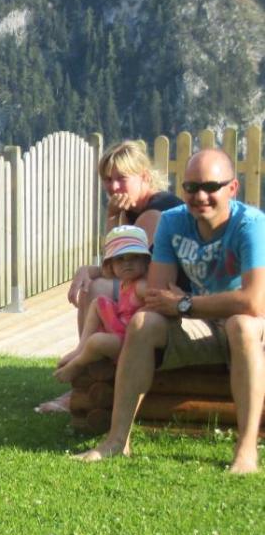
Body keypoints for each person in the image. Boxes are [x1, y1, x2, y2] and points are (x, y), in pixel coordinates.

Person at [75, 148, 264, 474]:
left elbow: (253, 302)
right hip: (196, 322)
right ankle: (117, 440)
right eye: (191, 187)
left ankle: (246, 451)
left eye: (211, 187)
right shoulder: (173, 221)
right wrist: (186, 304)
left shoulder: (251, 225)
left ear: (232, 188)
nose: (200, 196)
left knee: (242, 325)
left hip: (242, 326)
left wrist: (186, 303)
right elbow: (157, 295)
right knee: (142, 322)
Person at [38, 140, 180, 413]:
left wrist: (90, 268)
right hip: (148, 295)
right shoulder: (132, 209)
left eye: (121, 178)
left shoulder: (154, 211)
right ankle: (87, 373)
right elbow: (117, 262)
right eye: (107, 179)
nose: (113, 187)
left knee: (98, 288)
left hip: (168, 302)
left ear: (144, 177)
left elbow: (120, 267)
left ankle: (84, 377)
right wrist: (112, 218)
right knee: (97, 285)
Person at [51, 225, 152, 383]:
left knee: (97, 341)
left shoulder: (141, 286)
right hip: (120, 330)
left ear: (145, 261)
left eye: (134, 257)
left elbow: (155, 300)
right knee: (99, 302)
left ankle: (78, 363)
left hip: (131, 340)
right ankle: (80, 348)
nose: (127, 263)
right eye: (120, 259)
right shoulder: (126, 282)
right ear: (110, 265)